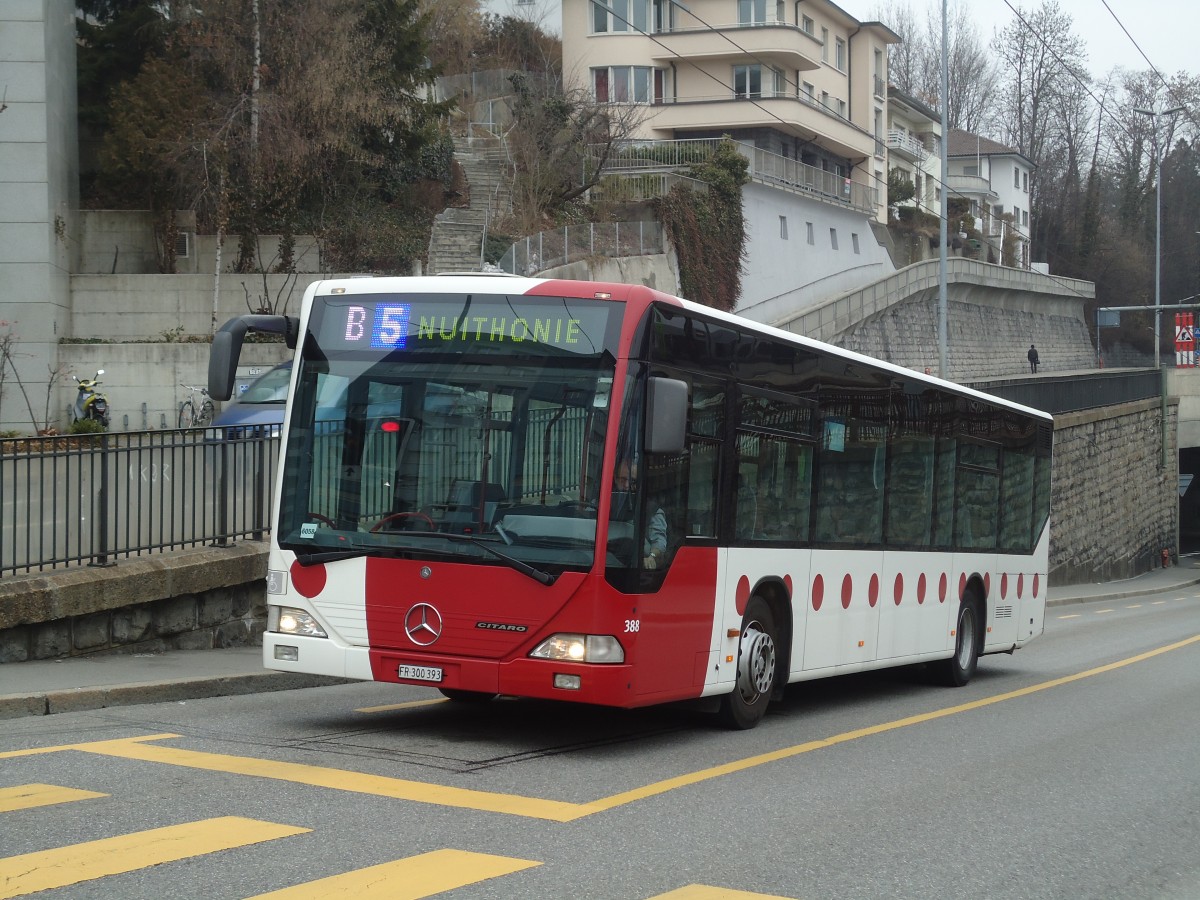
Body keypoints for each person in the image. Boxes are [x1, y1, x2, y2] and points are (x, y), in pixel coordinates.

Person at [615, 458, 668, 569]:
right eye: (622, 480)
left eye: (633, 481)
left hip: (635, 568)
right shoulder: (600, 504)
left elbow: (659, 542)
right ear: (615, 479)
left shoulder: (651, 509)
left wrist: (651, 557)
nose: (627, 485)